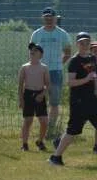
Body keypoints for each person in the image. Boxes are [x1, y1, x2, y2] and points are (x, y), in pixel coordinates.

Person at [48, 31, 97, 166]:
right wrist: (85, 79)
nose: (85, 45)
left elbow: (93, 76)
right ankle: (56, 157)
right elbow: (70, 82)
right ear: (77, 44)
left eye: (87, 42)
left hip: (92, 99)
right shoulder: (74, 61)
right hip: (79, 101)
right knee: (73, 130)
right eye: (82, 43)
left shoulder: (91, 58)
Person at [30, 8, 72, 139]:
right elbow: (31, 53)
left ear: (55, 18)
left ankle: (51, 130)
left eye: (51, 17)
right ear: (42, 18)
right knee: (40, 101)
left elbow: (68, 52)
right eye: (46, 17)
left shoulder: (62, 34)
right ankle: (42, 128)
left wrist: (59, 64)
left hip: (55, 72)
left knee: (54, 102)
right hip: (39, 71)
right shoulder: (36, 34)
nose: (48, 19)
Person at [18, 42, 50, 151]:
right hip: (28, 95)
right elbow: (20, 85)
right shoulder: (24, 67)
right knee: (28, 120)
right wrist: (21, 99)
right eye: (31, 50)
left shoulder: (44, 68)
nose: (32, 51)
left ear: (40, 55)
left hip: (40, 94)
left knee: (44, 121)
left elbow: (48, 84)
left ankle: (40, 141)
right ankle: (24, 144)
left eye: (36, 50)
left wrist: (42, 94)